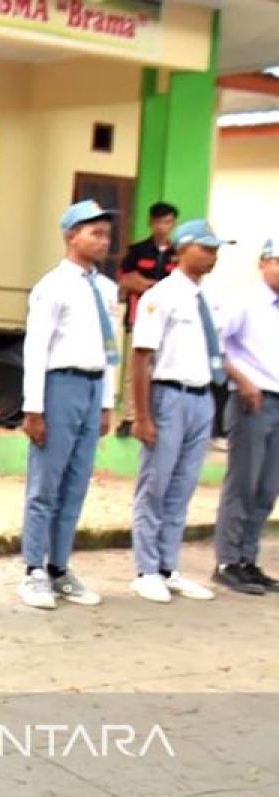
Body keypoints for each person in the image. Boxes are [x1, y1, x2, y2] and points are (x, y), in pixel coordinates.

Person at [18, 200, 119, 610]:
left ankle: (59, 566)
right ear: (71, 235)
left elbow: (111, 349)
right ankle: (33, 570)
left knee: (76, 484)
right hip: (60, 385)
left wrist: (108, 400)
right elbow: (36, 349)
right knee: (46, 484)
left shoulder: (107, 289)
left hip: (93, 386)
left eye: (106, 234)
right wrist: (34, 408)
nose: (103, 241)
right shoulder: (53, 286)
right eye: (94, 232)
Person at [127, 220, 228, 603]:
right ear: (182, 249)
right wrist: (142, 415)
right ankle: (146, 568)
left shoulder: (209, 299)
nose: (212, 256)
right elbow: (141, 358)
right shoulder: (162, 295)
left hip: (201, 397)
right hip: (168, 395)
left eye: (216, 249)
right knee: (156, 484)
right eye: (205, 248)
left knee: (183, 486)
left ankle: (169, 566)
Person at [211, 237, 279, 595]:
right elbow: (216, 348)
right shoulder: (244, 302)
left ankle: (249, 559)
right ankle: (227, 560)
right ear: (264, 263)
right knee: (243, 482)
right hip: (253, 400)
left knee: (268, 487)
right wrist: (242, 381)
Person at [117, 201, 178, 437]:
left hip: (170, 324)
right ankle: (129, 417)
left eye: (168, 222)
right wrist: (157, 286)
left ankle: (153, 416)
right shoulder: (137, 251)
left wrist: (146, 285)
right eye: (159, 222)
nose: (164, 227)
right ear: (151, 223)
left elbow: (179, 287)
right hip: (138, 317)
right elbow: (126, 280)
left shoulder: (178, 253)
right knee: (134, 370)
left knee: (161, 369)